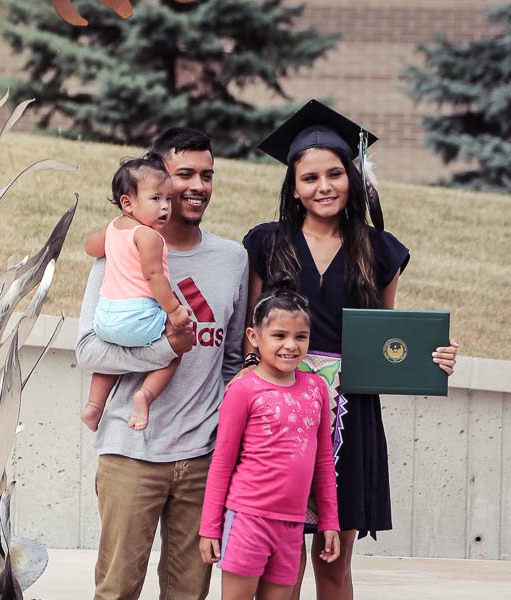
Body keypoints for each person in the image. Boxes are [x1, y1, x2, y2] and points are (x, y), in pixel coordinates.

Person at [242, 99, 460, 599]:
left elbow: (385, 338)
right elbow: (249, 335)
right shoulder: (266, 243)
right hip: (277, 411)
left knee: (333, 561)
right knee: (279, 561)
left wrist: (434, 355)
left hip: (349, 413)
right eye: (310, 178)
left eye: (335, 174)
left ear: (352, 178)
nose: (324, 187)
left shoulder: (380, 250)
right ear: (293, 188)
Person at [75, 127, 249, 600]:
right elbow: (88, 349)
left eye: (207, 175)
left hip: (202, 458)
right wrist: (169, 348)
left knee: (188, 594)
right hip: (131, 452)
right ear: (156, 183)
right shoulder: (121, 253)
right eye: (184, 174)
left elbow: (231, 360)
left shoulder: (234, 260)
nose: (197, 186)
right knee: (117, 591)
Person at [199, 289, 340, 600]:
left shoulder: (316, 388)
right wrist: (210, 528)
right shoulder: (243, 389)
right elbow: (222, 463)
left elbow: (323, 462)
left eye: (300, 336)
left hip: (292, 526)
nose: (290, 345)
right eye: (279, 335)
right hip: (248, 521)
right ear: (254, 335)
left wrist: (329, 521)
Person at [80, 155, 193, 432]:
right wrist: (175, 311)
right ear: (127, 203)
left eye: (168, 199)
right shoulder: (150, 237)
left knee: (112, 355)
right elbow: (154, 276)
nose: (165, 206)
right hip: (138, 316)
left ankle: (94, 406)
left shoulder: (113, 229)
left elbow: (91, 248)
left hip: (105, 320)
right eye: (156, 199)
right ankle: (145, 395)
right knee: (175, 352)